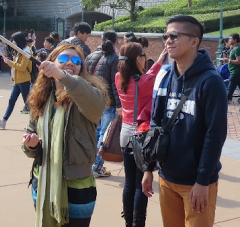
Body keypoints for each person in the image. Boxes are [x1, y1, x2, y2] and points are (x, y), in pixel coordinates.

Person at [142, 15, 227, 227]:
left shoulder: (211, 81)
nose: (168, 41)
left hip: (195, 182)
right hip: (166, 177)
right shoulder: (165, 75)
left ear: (194, 41)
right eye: (166, 36)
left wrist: (203, 180)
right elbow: (155, 124)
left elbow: (215, 134)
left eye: (174, 36)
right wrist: (148, 168)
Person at [22, 44, 108, 227]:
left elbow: (96, 105)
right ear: (50, 63)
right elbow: (31, 135)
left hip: (77, 185)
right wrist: (32, 145)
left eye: (76, 61)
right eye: (63, 59)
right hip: (43, 181)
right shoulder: (41, 97)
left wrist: (62, 76)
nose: (70, 63)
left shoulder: (89, 92)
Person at [115, 43, 167, 227]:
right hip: (141, 136)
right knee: (140, 185)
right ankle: (138, 223)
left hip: (124, 134)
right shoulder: (146, 81)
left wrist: (158, 60)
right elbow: (152, 75)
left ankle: (129, 223)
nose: (145, 58)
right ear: (138, 59)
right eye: (143, 55)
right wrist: (161, 61)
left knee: (129, 183)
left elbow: (149, 73)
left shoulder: (118, 78)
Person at [86, 30, 121, 178]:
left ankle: (90, 164)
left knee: (94, 132)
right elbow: (115, 84)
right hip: (108, 102)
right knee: (104, 135)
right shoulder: (114, 58)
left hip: (92, 100)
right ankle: (96, 166)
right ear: (115, 42)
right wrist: (119, 105)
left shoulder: (91, 56)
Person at [0, 32, 32, 129]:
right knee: (12, 100)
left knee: (28, 103)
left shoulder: (26, 52)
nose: (12, 42)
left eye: (14, 40)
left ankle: (34, 123)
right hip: (18, 80)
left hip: (24, 80)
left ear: (18, 41)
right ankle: (3, 121)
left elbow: (22, 67)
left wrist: (10, 63)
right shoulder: (19, 51)